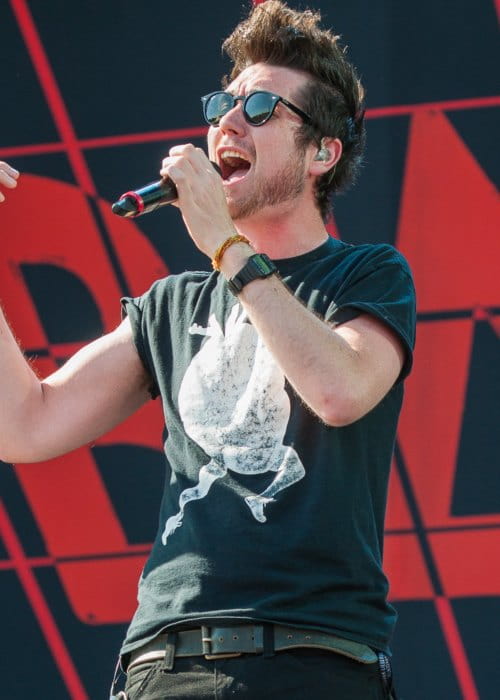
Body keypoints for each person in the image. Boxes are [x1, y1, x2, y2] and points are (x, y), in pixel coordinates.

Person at [0, 2, 416, 698]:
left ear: (322, 152)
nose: (228, 121)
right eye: (223, 103)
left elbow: (340, 390)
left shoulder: (367, 275)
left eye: (259, 107)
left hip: (309, 658)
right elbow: (25, 424)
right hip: (164, 666)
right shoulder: (175, 303)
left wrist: (228, 245)